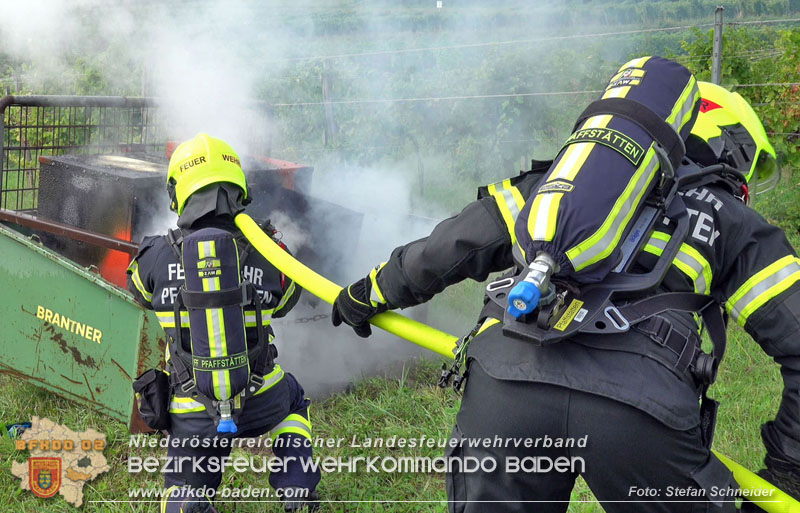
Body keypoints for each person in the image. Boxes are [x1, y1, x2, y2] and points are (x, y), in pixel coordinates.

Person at [330, 57, 800, 512]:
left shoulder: (556, 189)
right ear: (725, 146)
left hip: (508, 383)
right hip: (640, 409)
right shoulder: (729, 219)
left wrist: (368, 291)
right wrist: (786, 473)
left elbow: (450, 247)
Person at [127, 133, 320, 512]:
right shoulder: (269, 251)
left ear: (177, 191)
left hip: (191, 410)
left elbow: (137, 290)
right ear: (239, 190)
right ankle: (297, 492)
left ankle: (191, 501)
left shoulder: (154, 254)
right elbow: (287, 300)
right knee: (294, 401)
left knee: (182, 488)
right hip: (262, 398)